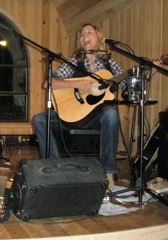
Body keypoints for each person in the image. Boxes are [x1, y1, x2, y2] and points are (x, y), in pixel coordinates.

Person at [33, 23, 125, 190]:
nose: (85, 36)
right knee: (40, 119)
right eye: (82, 34)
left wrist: (147, 71)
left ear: (98, 36)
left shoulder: (110, 64)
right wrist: (77, 83)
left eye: (89, 32)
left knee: (110, 114)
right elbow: (49, 83)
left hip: (95, 117)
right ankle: (54, 167)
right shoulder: (74, 62)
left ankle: (108, 173)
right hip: (71, 114)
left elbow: (125, 82)